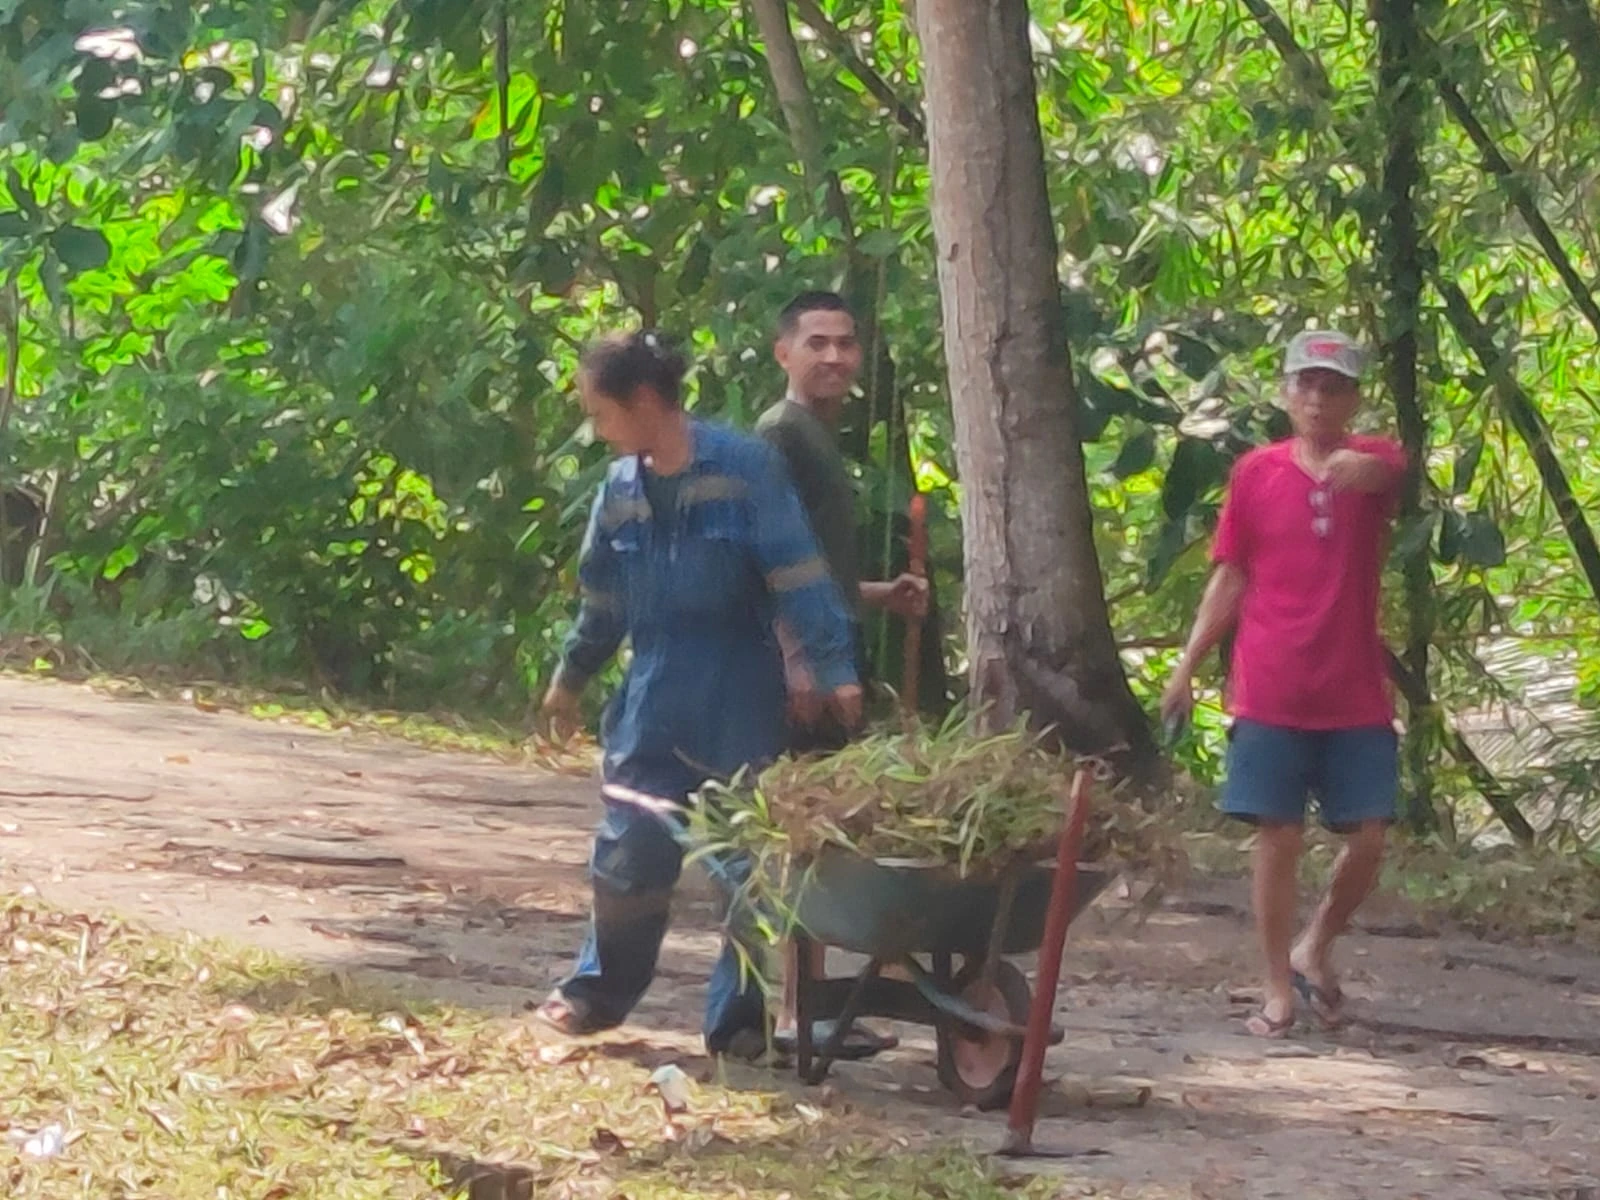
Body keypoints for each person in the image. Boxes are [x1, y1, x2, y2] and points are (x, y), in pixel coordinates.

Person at [536, 330, 861, 1060]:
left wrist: (835, 667)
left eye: (602, 413)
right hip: (652, 692)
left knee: (743, 868)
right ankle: (596, 994)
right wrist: (571, 678)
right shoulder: (618, 493)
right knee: (627, 853)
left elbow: (798, 574)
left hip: (737, 691)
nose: (598, 430)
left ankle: (737, 1025)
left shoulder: (746, 470)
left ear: (645, 401)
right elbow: (601, 602)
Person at [1160, 329, 1406, 1039]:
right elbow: (1230, 573)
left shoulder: (1374, 465)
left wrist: (1364, 470)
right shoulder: (1255, 473)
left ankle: (1316, 943)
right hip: (1269, 682)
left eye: (1333, 387)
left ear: (1353, 399)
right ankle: (1276, 988)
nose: (1318, 399)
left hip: (1354, 687)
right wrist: (1185, 667)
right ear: (1286, 392)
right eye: (1306, 385)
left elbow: (1391, 469)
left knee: (1368, 834)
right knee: (1278, 835)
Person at [755, 291, 930, 1060]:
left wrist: (879, 596)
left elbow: (816, 569)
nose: (834, 357)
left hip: (830, 651)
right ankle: (794, 1011)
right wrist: (802, 659)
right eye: (817, 342)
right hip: (803, 666)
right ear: (783, 352)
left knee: (823, 838)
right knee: (804, 839)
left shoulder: (819, 439)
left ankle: (812, 1006)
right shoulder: (780, 437)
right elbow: (770, 563)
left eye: (846, 343)